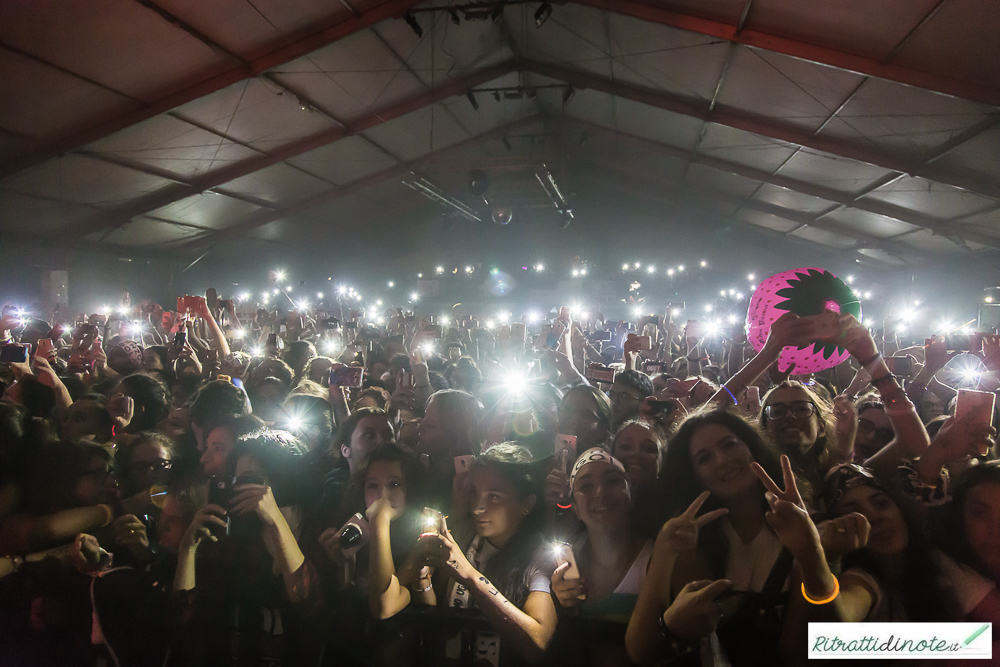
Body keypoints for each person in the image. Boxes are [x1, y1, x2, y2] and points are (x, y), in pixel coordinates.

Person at [170, 429, 324, 665]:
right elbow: (186, 618)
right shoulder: (237, 537)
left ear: (283, 478)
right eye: (237, 480)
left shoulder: (316, 532)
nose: (240, 489)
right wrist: (187, 551)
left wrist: (275, 520)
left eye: (250, 480)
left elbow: (305, 599)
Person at [413, 443, 558, 665]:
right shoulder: (464, 534)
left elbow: (538, 642)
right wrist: (422, 575)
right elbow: (436, 613)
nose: (477, 507)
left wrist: (469, 575)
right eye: (474, 492)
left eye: (494, 496)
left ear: (526, 503)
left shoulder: (539, 556)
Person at [551, 449, 652, 622]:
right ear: (574, 507)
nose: (600, 492)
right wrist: (563, 607)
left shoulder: (658, 559)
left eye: (612, 481)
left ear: (632, 496)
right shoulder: (564, 565)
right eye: (586, 486)